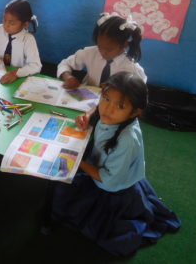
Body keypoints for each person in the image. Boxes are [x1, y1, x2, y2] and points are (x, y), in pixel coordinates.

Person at [51, 72, 181, 256]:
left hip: (112, 190)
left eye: (119, 106)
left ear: (135, 112)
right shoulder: (112, 115)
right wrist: (88, 116)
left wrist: (78, 161)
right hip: (105, 169)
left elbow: (108, 180)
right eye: (106, 98)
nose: (107, 109)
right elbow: (98, 108)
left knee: (71, 197)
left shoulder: (125, 141)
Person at [57, 12, 146, 89]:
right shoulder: (90, 53)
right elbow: (65, 63)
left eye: (109, 49)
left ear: (124, 45)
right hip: (84, 100)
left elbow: (139, 90)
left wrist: (118, 89)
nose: (102, 52)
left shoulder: (131, 68)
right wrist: (68, 77)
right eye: (99, 46)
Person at [0, 0, 42, 84]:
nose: (6, 25)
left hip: (17, 79)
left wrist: (16, 73)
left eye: (11, 23)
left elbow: (35, 66)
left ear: (25, 24)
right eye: (4, 19)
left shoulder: (28, 39)